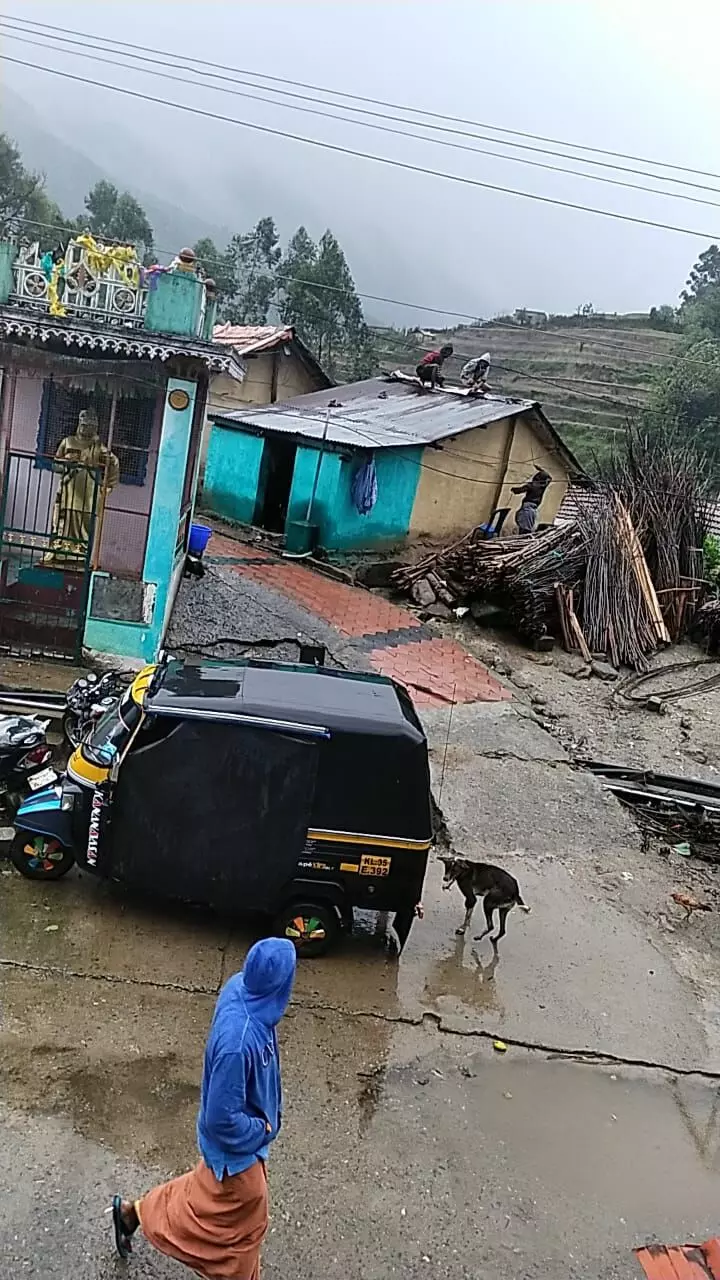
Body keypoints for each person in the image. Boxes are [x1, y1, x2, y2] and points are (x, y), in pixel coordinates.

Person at [112, 937, 297, 1280]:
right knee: (242, 1233)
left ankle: (132, 1213)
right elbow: (220, 1120)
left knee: (201, 1198)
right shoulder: (238, 1045)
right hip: (239, 1155)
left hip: (235, 1153)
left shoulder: (240, 988)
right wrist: (263, 1129)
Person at [44, 407, 119, 568]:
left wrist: (108, 486)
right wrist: (66, 464)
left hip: (89, 493)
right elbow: (56, 465)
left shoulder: (98, 447)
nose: (86, 429)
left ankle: (80, 556)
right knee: (63, 522)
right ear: (79, 424)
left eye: (90, 426)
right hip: (68, 490)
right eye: (84, 425)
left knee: (84, 524)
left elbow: (113, 462)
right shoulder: (68, 442)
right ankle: (60, 552)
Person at [511, 469, 552, 535]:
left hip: (527, 509)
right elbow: (550, 479)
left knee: (524, 530)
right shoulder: (543, 486)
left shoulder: (531, 485)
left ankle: (521, 543)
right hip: (533, 509)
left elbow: (518, 491)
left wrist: (513, 489)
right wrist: (542, 470)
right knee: (527, 528)